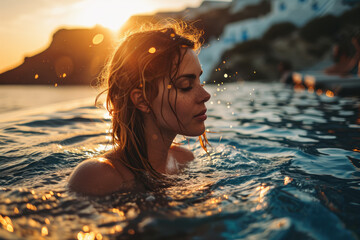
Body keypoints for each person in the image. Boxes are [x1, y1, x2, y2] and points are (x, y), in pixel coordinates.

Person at [68, 22, 211, 196]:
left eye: (199, 81)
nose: (205, 95)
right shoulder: (98, 177)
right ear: (142, 99)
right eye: (186, 85)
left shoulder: (185, 160)